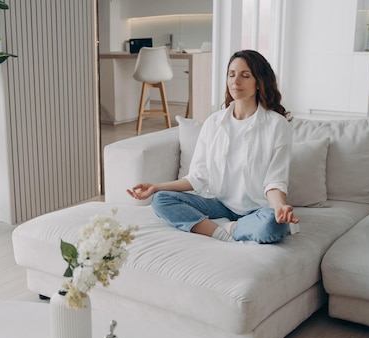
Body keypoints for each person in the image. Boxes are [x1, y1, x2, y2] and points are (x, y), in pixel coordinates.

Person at [127, 50, 298, 244]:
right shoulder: (214, 122)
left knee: (274, 226)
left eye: (245, 75)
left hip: (256, 209)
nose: (236, 81)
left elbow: (275, 181)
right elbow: (198, 177)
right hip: (218, 205)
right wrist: (156, 187)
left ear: (259, 82)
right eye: (231, 74)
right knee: (161, 199)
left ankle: (228, 227)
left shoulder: (276, 125)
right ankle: (223, 231)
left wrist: (280, 207)